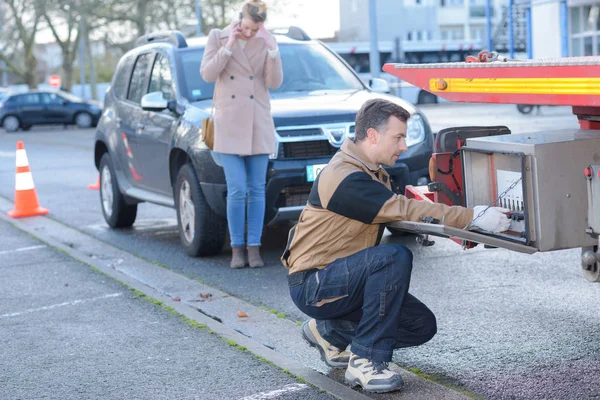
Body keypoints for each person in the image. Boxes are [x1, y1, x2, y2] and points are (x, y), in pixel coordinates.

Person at [281, 98, 510, 393]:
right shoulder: (346, 178)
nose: (403, 146)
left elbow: (403, 213)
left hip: (343, 279)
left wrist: (460, 222)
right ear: (373, 136)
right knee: (392, 258)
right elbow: (400, 209)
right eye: (398, 137)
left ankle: (328, 331)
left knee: (420, 324)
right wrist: (471, 216)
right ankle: (365, 361)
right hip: (313, 283)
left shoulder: (372, 171)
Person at [200, 0, 283, 269]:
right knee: (237, 189)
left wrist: (273, 51)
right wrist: (229, 46)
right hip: (229, 125)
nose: (249, 33)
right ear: (240, 19)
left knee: (257, 190)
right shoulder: (218, 36)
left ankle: (254, 246)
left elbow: (274, 83)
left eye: (255, 28)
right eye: (246, 27)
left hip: (258, 123)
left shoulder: (266, 42)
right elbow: (207, 74)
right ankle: (237, 248)